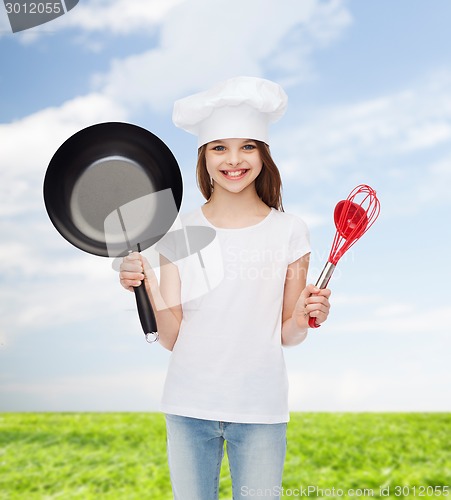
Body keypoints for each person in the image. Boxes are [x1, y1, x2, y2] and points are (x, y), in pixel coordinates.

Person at [119, 76, 331, 500]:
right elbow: (172, 336)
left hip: (260, 408)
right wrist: (147, 285)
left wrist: (306, 314)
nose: (233, 160)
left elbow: (289, 334)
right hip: (188, 404)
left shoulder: (290, 231)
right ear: (204, 156)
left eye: (247, 146)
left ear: (263, 154)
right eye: (220, 147)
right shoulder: (179, 227)